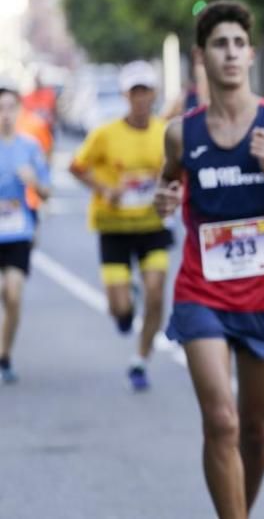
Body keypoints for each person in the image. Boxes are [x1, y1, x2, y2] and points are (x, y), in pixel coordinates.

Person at [153, 0, 264, 519]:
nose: (229, 54)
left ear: (250, 55)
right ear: (200, 57)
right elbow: (167, 182)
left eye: (237, 44)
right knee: (222, 422)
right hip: (201, 292)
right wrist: (163, 198)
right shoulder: (182, 133)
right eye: (218, 45)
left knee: (257, 431)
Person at [70, 61, 171, 391]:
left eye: (146, 91)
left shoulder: (165, 133)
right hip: (113, 226)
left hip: (151, 225)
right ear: (126, 95)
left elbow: (176, 174)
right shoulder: (105, 133)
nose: (141, 98)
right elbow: (77, 166)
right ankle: (126, 309)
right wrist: (105, 189)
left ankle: (140, 360)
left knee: (157, 293)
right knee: (119, 308)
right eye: (134, 92)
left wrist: (169, 189)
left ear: (154, 94)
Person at [0, 80, 51, 384]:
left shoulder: (29, 147)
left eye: (9, 108)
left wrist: (34, 181)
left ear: (18, 110)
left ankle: (4, 355)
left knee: (14, 294)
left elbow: (47, 192)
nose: (5, 114)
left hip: (19, 230)